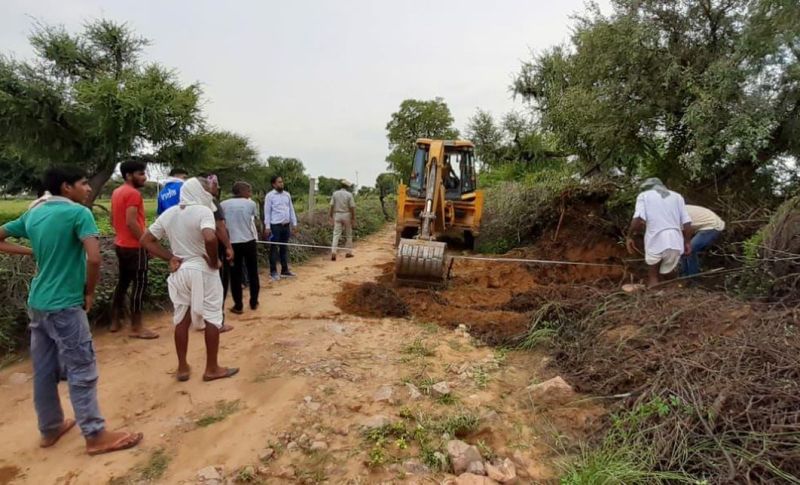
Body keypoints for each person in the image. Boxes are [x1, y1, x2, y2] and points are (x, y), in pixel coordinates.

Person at [0, 166, 142, 455]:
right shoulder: (79, 214)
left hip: (37, 303)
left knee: (43, 370)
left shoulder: (35, 213)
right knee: (81, 367)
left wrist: (33, 252)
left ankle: (50, 427)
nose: (88, 189)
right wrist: (88, 292)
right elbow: (93, 258)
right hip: (65, 303)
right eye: (83, 184)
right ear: (67, 187)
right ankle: (94, 434)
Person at [140, 177, 239, 383]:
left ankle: (183, 367)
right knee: (212, 317)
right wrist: (213, 261)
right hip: (202, 269)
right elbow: (210, 237)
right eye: (206, 188)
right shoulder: (203, 212)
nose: (210, 192)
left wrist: (170, 257)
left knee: (181, 319)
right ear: (198, 191)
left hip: (181, 270)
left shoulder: (169, 213)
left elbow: (145, 240)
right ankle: (212, 368)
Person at [110, 160, 158, 339]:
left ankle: (115, 320)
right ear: (129, 175)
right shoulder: (133, 194)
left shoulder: (117, 192)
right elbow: (131, 221)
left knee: (122, 283)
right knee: (140, 285)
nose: (144, 177)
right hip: (135, 247)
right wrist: (146, 243)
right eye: (140, 174)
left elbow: (112, 219)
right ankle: (137, 327)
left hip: (120, 244)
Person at [626, 178, 692, 287]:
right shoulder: (677, 197)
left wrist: (629, 236)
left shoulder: (644, 196)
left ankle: (655, 299)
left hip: (655, 240)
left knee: (653, 275)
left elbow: (637, 219)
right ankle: (675, 297)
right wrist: (688, 242)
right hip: (675, 240)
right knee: (669, 273)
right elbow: (687, 222)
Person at [221, 182, 261, 313]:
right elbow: (255, 222)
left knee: (235, 275)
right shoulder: (251, 204)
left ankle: (238, 305)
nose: (250, 193)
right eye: (249, 191)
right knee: (253, 272)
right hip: (249, 241)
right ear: (242, 191)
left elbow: (221, 224)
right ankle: (254, 302)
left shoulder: (223, 204)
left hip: (231, 244)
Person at [204, 174, 235, 332]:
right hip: (216, 248)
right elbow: (220, 226)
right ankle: (218, 321)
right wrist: (229, 246)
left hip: (199, 250)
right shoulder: (213, 203)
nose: (217, 187)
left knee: (204, 286)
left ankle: (202, 320)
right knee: (219, 284)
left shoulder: (192, 204)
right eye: (215, 184)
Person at [263, 175, 298, 281]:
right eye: (279, 182)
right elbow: (267, 212)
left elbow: (291, 209)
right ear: (273, 184)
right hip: (275, 226)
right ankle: (273, 271)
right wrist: (267, 226)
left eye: (282, 182)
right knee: (273, 248)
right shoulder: (270, 196)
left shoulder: (287, 195)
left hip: (285, 226)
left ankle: (285, 270)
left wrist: (294, 223)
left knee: (284, 248)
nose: (281, 184)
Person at [682, 205, 725, 277]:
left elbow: (684, 230)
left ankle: (693, 279)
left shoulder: (675, 213)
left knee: (690, 250)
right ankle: (684, 276)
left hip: (711, 226)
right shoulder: (677, 209)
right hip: (706, 225)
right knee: (683, 249)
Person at [329, 179, 356, 261]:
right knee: (348, 234)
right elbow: (352, 207)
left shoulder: (335, 194)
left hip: (337, 214)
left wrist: (330, 216)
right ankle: (348, 252)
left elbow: (331, 206)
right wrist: (353, 218)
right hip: (346, 214)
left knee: (336, 234)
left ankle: (333, 252)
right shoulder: (349, 195)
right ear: (347, 187)